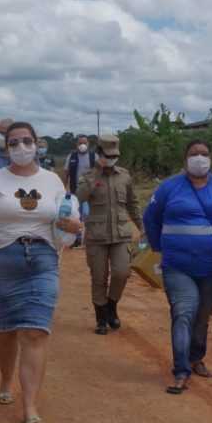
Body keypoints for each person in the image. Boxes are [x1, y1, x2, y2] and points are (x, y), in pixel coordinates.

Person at [0, 121, 83, 423]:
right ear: (5, 148)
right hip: (1, 261)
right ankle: (6, 380)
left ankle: (30, 405)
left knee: (35, 332)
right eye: (14, 142)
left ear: (37, 143)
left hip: (43, 260)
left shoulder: (52, 180)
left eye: (27, 141)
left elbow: (66, 218)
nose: (21, 147)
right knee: (6, 331)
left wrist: (74, 227)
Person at [143, 139, 212, 395]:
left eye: (204, 153)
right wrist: (158, 247)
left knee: (202, 317)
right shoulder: (169, 188)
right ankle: (181, 370)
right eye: (194, 153)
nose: (199, 158)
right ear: (185, 159)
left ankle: (196, 358)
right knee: (183, 313)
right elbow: (150, 218)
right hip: (177, 265)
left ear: (211, 158)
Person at [76, 134, 141, 335]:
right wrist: (96, 173)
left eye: (114, 155)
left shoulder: (124, 176)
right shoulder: (88, 175)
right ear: (99, 153)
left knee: (122, 272)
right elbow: (80, 197)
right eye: (107, 155)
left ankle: (112, 305)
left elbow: (133, 203)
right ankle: (101, 318)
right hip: (97, 235)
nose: (111, 159)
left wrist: (142, 227)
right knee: (99, 277)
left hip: (121, 234)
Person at [67, 135, 97, 248]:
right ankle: (77, 239)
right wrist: (65, 187)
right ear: (76, 144)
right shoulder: (71, 156)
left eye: (84, 143)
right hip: (75, 191)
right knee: (76, 215)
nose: (82, 145)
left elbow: (100, 172)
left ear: (88, 144)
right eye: (80, 143)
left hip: (91, 191)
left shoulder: (94, 156)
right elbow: (66, 172)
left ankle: (90, 237)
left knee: (88, 213)